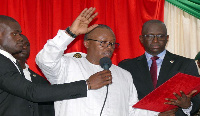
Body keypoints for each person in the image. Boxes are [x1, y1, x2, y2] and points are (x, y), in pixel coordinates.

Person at [0, 8, 111, 116]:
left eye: (20, 33)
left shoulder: (10, 63)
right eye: (15, 34)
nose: (20, 38)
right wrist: (87, 84)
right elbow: (33, 92)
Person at [118, 20, 200, 116]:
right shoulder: (126, 67)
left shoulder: (186, 64)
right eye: (150, 36)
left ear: (167, 38)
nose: (155, 40)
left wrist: (187, 105)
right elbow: (121, 103)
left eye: (160, 36)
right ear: (141, 39)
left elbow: (197, 99)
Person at [12, 34, 55, 116]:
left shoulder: (41, 81)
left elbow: (47, 110)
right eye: (20, 43)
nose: (24, 47)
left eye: (27, 45)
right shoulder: (4, 75)